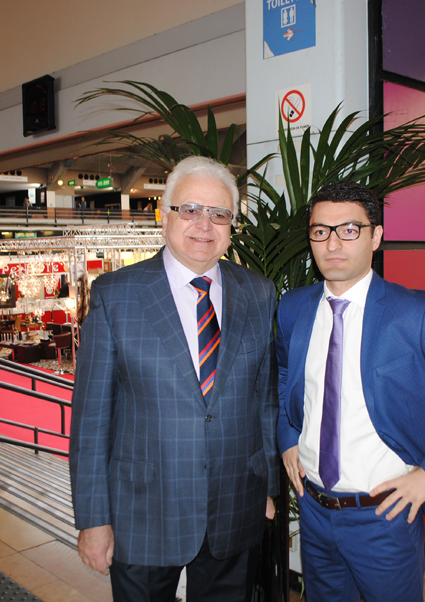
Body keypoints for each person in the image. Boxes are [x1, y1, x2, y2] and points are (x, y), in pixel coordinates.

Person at [70, 156, 279, 602]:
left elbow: (265, 401)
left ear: (231, 225)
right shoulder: (116, 295)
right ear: (164, 216)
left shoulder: (258, 292)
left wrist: (267, 487)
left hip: (235, 504)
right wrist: (93, 519)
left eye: (219, 214)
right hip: (142, 512)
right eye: (190, 210)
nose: (205, 224)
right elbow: (91, 420)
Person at [276, 181, 425, 602]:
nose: (332, 243)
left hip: (383, 516)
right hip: (314, 510)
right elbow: (284, 375)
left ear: (375, 237)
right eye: (320, 231)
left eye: (349, 229)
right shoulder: (294, 307)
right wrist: (287, 436)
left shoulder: (413, 312)